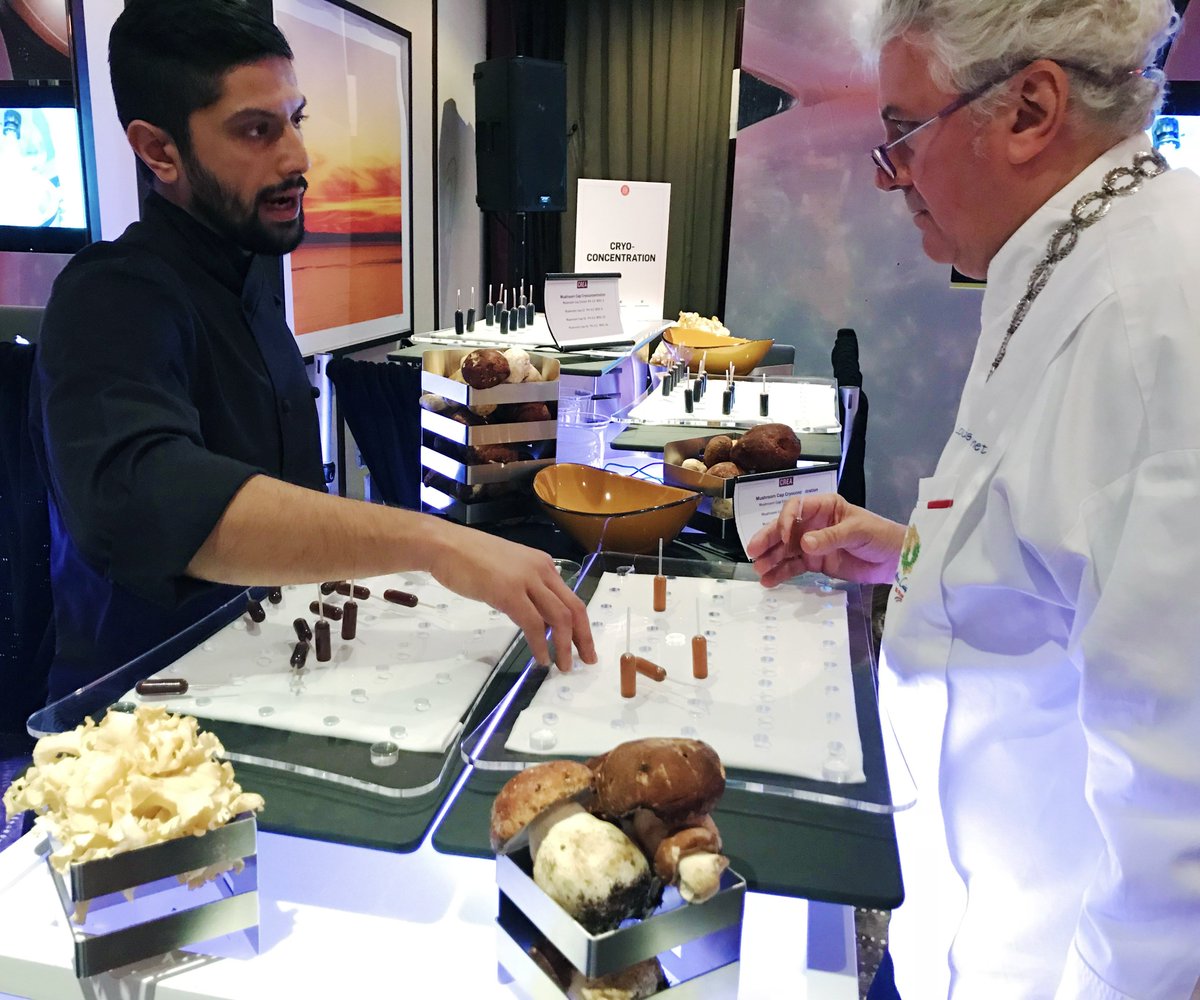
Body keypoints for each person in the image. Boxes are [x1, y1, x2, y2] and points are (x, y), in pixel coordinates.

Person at [749, 0, 1200, 996]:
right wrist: (910, 553)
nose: (887, 174)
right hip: (953, 934)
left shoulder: (1158, 314)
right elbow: (1070, 563)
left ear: (1030, 109)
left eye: (904, 132)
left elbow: (1182, 820)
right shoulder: (1064, 255)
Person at [30, 0, 594, 702]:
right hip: (139, 715)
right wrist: (433, 542)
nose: (298, 159)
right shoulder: (109, 295)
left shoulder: (255, 288)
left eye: (294, 121)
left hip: (265, 679)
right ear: (159, 150)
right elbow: (147, 498)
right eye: (257, 131)